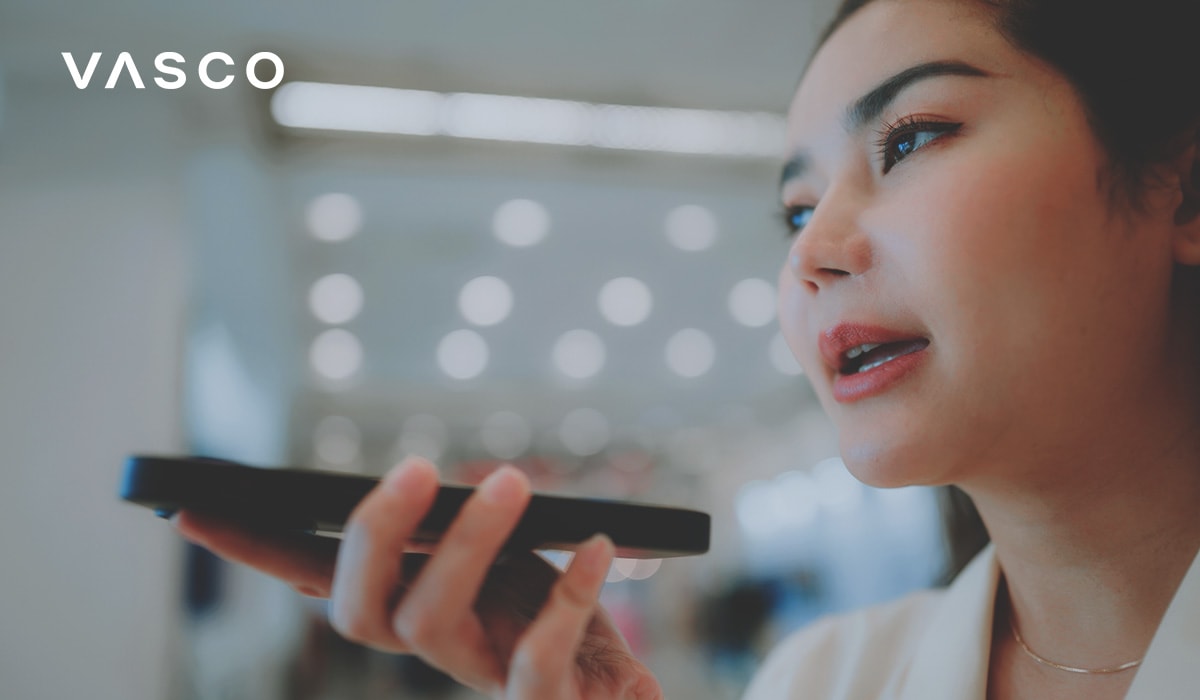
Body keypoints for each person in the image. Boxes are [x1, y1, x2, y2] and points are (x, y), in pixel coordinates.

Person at [173, 0, 1200, 697]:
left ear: (1183, 192)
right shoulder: (822, 676)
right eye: (795, 209)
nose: (814, 252)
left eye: (913, 138)